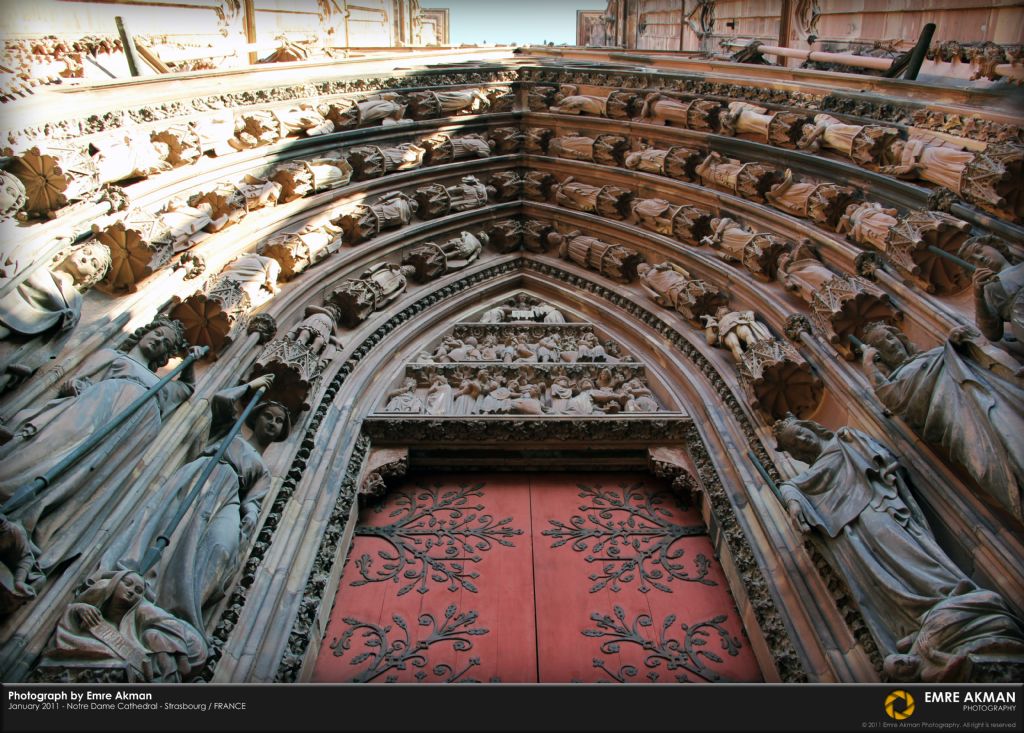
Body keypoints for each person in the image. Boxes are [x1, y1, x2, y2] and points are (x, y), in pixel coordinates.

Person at [0, 318, 198, 571]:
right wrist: (76, 386)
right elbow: (75, 381)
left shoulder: (160, 385)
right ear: (144, 333)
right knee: (57, 449)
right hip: (98, 406)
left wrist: (192, 361)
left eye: (166, 344)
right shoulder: (113, 356)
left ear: (166, 356)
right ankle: (13, 493)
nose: (159, 340)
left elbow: (187, 387)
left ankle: (35, 522)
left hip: (132, 433)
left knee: (88, 476)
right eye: (158, 333)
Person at [104, 375, 289, 637]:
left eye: (278, 421)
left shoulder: (264, 472)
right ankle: (141, 583)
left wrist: (249, 515)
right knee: (174, 527)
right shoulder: (229, 433)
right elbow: (222, 399)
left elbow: (254, 501)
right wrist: (250, 386)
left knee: (221, 546)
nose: (272, 422)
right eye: (268, 416)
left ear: (282, 431)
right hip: (204, 474)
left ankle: (180, 609)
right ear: (256, 418)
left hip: (230, 495)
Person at [774, 415, 976, 651]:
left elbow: (881, 459)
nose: (801, 440)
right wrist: (793, 502)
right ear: (795, 453)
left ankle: (942, 591)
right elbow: (791, 486)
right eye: (794, 443)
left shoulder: (844, 439)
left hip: (874, 505)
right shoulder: (810, 475)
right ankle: (913, 622)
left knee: (899, 545)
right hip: (850, 524)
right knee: (877, 572)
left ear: (811, 427)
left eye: (800, 433)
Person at [861, 321, 1024, 520]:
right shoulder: (899, 382)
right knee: (991, 469)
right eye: (881, 345)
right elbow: (895, 401)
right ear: (879, 356)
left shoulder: (939, 353)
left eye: (889, 337)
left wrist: (958, 341)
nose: (890, 344)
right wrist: (869, 367)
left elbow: (980, 353)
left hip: (988, 403)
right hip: (961, 426)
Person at [39, 569, 207, 682]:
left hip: (191, 648)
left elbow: (172, 625)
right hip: (106, 652)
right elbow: (75, 608)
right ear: (115, 583)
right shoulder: (101, 591)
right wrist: (81, 608)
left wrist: (183, 657)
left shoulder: (143, 609)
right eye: (127, 583)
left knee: (152, 637)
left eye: (139, 590)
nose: (132, 591)